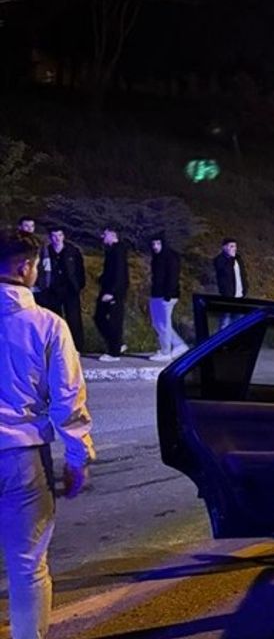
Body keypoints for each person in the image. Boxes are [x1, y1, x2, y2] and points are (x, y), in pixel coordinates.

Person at [1, 229, 95, 639]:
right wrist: (78, 459)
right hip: (23, 456)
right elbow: (68, 402)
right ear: (25, 268)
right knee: (27, 565)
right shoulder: (49, 326)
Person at [42, 229, 87, 352]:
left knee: (74, 319)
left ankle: (77, 347)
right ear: (50, 237)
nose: (57, 238)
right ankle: (56, 347)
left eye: (60, 235)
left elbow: (80, 270)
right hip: (53, 289)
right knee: (54, 320)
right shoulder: (46, 251)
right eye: (54, 235)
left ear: (63, 236)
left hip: (70, 289)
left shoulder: (72, 251)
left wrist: (79, 285)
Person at [147, 235, 186, 362]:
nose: (155, 247)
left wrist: (168, 295)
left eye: (158, 244)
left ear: (163, 243)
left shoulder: (171, 257)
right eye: (153, 244)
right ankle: (179, 345)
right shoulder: (157, 257)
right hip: (157, 294)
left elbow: (172, 277)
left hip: (167, 295)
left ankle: (165, 351)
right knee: (157, 323)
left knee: (163, 323)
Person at [93, 227, 129, 362]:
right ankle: (117, 344)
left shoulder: (118, 250)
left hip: (114, 292)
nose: (103, 236)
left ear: (113, 235)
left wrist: (112, 293)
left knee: (113, 320)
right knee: (100, 317)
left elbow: (119, 273)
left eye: (105, 234)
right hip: (109, 289)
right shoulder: (112, 251)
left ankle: (114, 351)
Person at [16, 217, 48, 308]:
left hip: (36, 285)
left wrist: (44, 284)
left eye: (32, 226)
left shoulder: (40, 244)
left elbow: (46, 265)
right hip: (18, 284)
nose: (29, 229)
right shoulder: (14, 242)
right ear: (20, 227)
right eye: (26, 226)